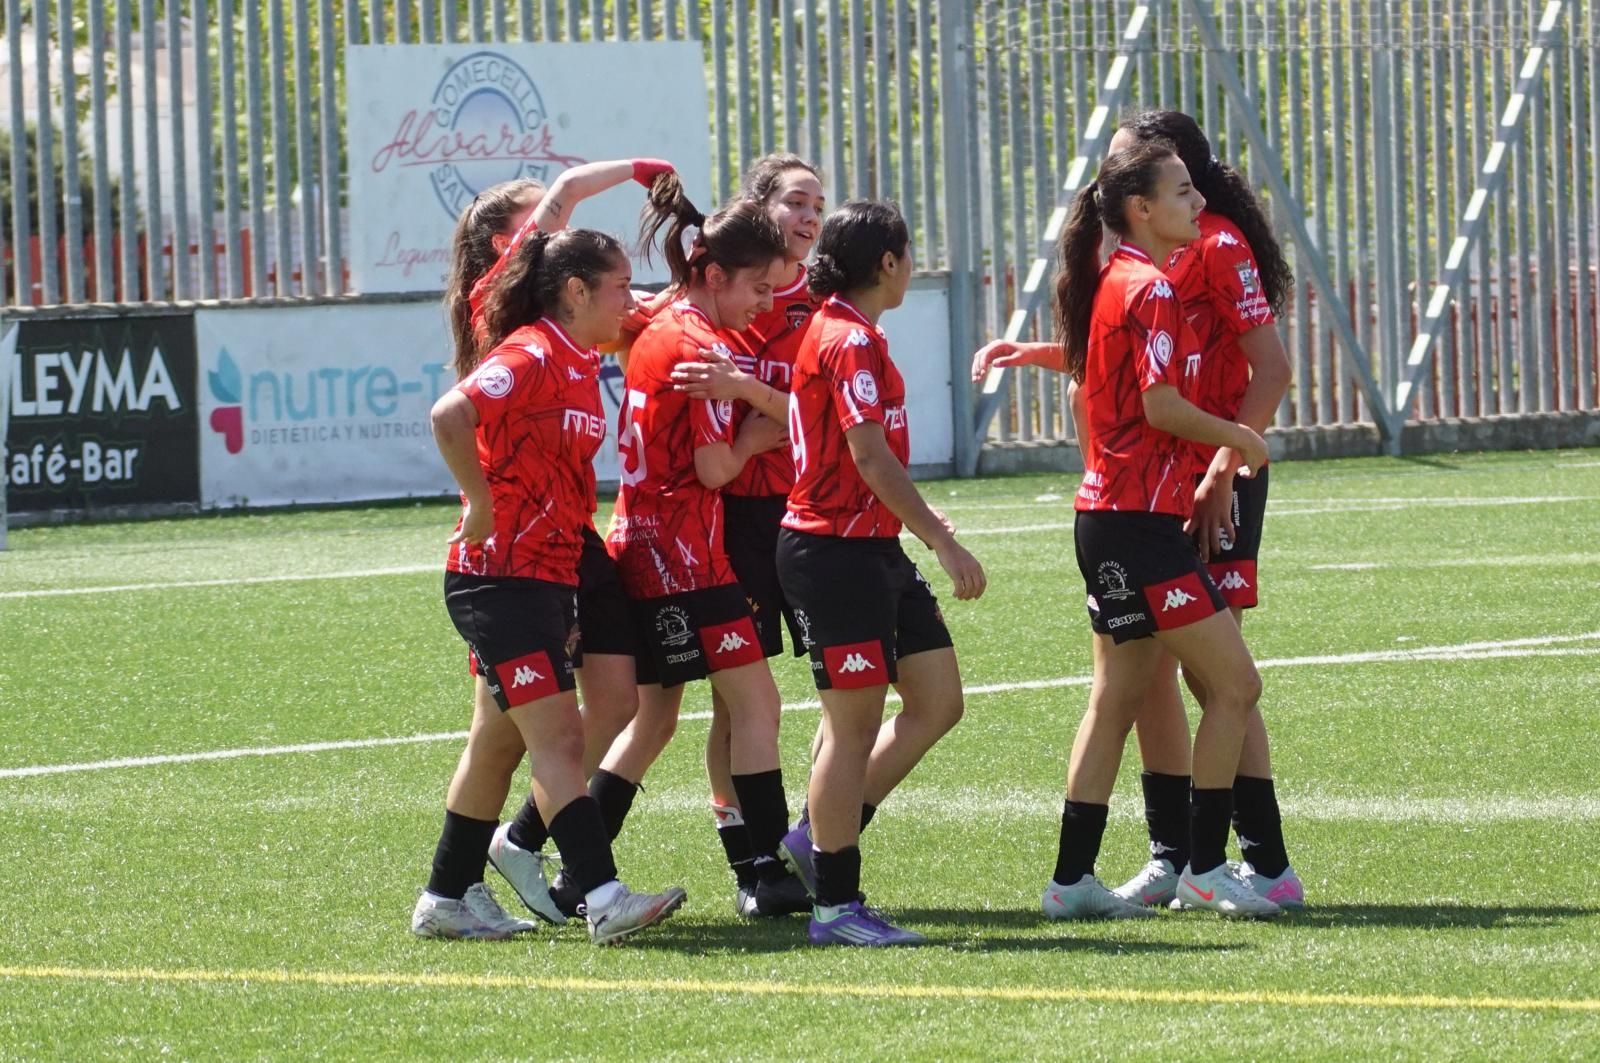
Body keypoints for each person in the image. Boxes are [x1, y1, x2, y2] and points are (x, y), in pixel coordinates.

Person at [971, 139, 1279, 919]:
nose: (1198, 204)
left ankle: (1073, 879)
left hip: (1109, 518)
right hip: (1139, 526)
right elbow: (1160, 405)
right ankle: (1206, 868)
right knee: (1236, 684)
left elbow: (1111, 380)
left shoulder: (1119, 279)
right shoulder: (1153, 289)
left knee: (1117, 699)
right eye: (1181, 193)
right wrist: (1237, 438)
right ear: (1140, 209)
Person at [415, 225, 685, 944]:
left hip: (539, 578)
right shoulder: (533, 351)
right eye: (620, 284)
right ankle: (603, 895)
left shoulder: (575, 358)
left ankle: (444, 896)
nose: (629, 299)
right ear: (574, 292)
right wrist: (477, 498)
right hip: (495, 579)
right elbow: (451, 414)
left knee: (500, 746)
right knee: (561, 737)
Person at [1101, 111, 1300, 910]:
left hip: (1211, 476)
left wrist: (1224, 462)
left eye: (1126, 164)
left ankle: (1261, 862)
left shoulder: (1213, 243)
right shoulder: (1131, 253)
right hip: (1152, 485)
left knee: (1220, 675)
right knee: (1152, 673)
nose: (1110, 179)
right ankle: (1174, 855)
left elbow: (1271, 369)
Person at [596, 182, 812, 916]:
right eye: (756, 287)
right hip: (685, 557)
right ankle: (767, 865)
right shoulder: (701, 343)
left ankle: (561, 860)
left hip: (645, 543)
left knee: (656, 718)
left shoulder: (668, 323)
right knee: (758, 704)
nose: (763, 304)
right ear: (715, 275)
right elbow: (716, 467)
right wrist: (757, 430)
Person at [777, 200, 986, 946]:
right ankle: (836, 902)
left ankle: (817, 836)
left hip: (869, 548)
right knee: (852, 724)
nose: (913, 263)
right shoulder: (846, 338)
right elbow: (868, 455)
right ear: (888, 263)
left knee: (937, 698)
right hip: (834, 553)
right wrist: (942, 541)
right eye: (908, 251)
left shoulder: (849, 330)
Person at [664, 154, 827, 915]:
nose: (810, 216)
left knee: (809, 690)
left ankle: (799, 844)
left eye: (818, 204)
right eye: (797, 201)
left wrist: (755, 393)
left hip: (800, 512)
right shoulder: (712, 301)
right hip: (731, 511)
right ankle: (755, 862)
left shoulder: (821, 296)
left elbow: (819, 401)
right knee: (739, 701)